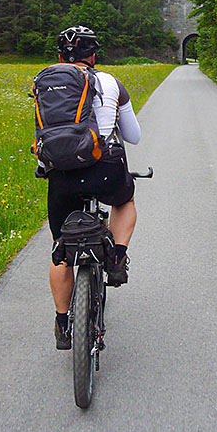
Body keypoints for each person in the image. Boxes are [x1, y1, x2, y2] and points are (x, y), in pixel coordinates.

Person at [40, 26, 141, 350]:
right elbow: (134, 135)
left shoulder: (48, 84)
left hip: (62, 173)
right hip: (106, 169)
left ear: (60, 57)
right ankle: (117, 259)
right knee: (124, 201)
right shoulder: (112, 83)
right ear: (93, 55)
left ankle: (61, 322)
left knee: (61, 249)